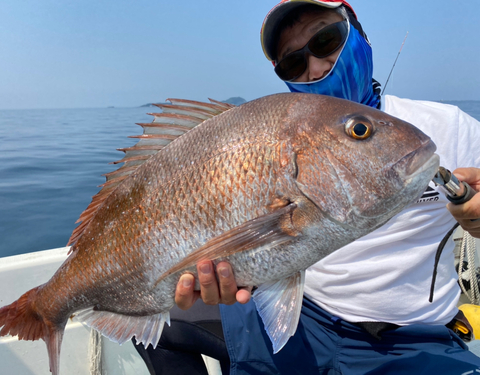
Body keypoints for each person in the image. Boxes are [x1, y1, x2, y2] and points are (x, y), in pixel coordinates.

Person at [137, 1, 480, 374]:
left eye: (326, 39)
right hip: (302, 316)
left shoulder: (450, 128)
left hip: (412, 342)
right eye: (294, 63)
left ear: (360, 35)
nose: (316, 67)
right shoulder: (280, 141)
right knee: (148, 314)